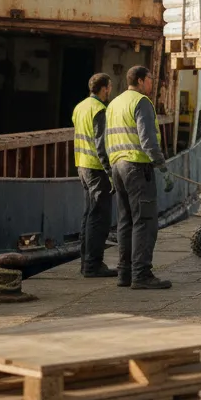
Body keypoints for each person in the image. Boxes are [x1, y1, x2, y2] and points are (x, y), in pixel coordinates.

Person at [104, 65, 171, 290]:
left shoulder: (114, 103)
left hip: (117, 167)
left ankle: (125, 273)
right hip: (137, 167)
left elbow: (105, 140)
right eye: (151, 78)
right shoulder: (141, 102)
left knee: (125, 221)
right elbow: (147, 140)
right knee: (145, 221)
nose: (153, 83)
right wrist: (161, 166)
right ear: (141, 81)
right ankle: (142, 275)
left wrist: (110, 170)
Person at [72, 72, 115, 278]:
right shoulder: (99, 110)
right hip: (97, 168)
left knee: (89, 215)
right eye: (110, 87)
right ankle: (94, 265)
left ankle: (85, 263)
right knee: (99, 217)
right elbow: (101, 144)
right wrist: (110, 171)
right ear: (104, 88)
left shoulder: (79, 107)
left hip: (81, 165)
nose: (110, 91)